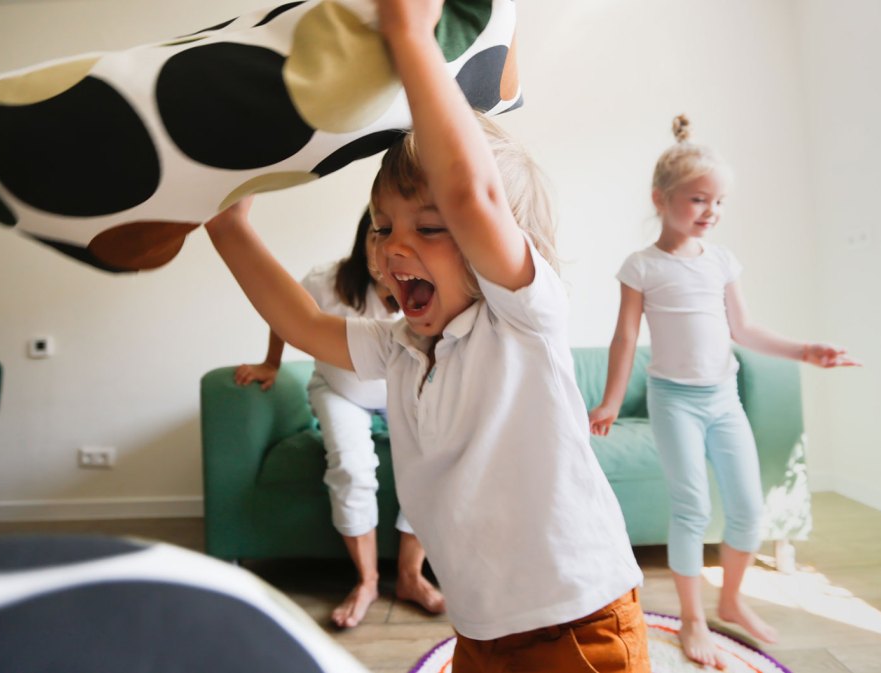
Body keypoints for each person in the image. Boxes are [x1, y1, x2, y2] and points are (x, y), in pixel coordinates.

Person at [204, 1, 650, 670]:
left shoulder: (522, 320)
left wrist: (410, 35)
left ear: (492, 238)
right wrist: (227, 227)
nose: (392, 247)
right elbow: (298, 321)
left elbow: (472, 194)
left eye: (430, 227)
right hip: (480, 625)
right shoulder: (399, 347)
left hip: (577, 619)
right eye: (382, 226)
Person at [588, 115, 858, 670]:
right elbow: (623, 338)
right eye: (698, 199)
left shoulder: (723, 262)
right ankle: (691, 617)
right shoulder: (641, 267)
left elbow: (745, 330)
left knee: (749, 510)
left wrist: (805, 349)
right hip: (674, 401)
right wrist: (613, 400)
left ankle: (731, 599)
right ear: (660, 199)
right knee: (691, 508)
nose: (710, 211)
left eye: (719, 201)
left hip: (723, 398)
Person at [231, 210, 443, 629]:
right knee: (351, 466)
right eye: (377, 235)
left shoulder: (428, 288)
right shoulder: (327, 281)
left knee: (431, 464)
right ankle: (366, 582)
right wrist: (271, 363)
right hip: (339, 389)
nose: (386, 248)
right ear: (364, 240)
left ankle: (409, 575)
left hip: (402, 393)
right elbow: (285, 314)